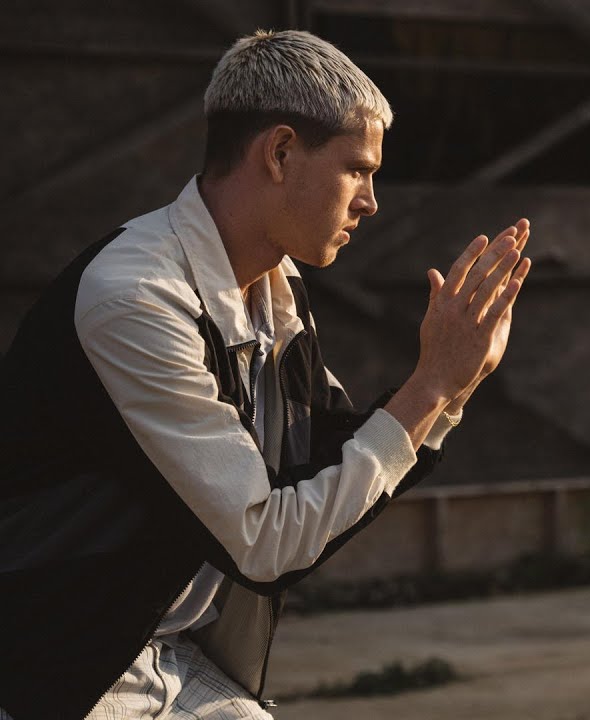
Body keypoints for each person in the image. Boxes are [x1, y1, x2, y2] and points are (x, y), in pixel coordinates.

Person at [0, 30, 532, 720]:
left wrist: (454, 385)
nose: (371, 201)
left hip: (164, 651)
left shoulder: (274, 289)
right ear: (280, 152)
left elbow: (326, 460)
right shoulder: (137, 299)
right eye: (358, 170)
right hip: (53, 665)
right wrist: (430, 385)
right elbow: (264, 540)